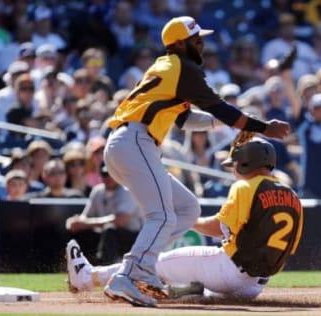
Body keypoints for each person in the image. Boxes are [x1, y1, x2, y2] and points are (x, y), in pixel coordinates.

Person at [102, 16, 290, 307]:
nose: (201, 43)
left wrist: (227, 123)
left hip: (128, 143)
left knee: (187, 209)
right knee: (162, 216)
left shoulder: (166, 68)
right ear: (178, 44)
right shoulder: (182, 67)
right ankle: (129, 274)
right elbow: (221, 108)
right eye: (196, 39)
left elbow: (183, 119)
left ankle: (143, 267)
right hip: (135, 141)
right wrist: (263, 127)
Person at [66, 138, 303, 302]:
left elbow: (216, 228)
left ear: (246, 163)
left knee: (154, 262)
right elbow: (290, 248)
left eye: (234, 164)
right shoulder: (293, 196)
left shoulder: (245, 187)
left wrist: (189, 219)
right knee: (198, 289)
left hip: (227, 272)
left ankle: (86, 277)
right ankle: (188, 292)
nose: (232, 170)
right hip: (255, 286)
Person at [66, 162, 143, 265]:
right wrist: (76, 222)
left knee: (109, 230)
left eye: (111, 174)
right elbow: (86, 217)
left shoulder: (127, 190)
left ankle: (105, 269)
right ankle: (79, 267)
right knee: (81, 231)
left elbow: (120, 221)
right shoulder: (98, 191)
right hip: (106, 236)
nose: (108, 178)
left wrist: (85, 223)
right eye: (105, 174)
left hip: (133, 238)